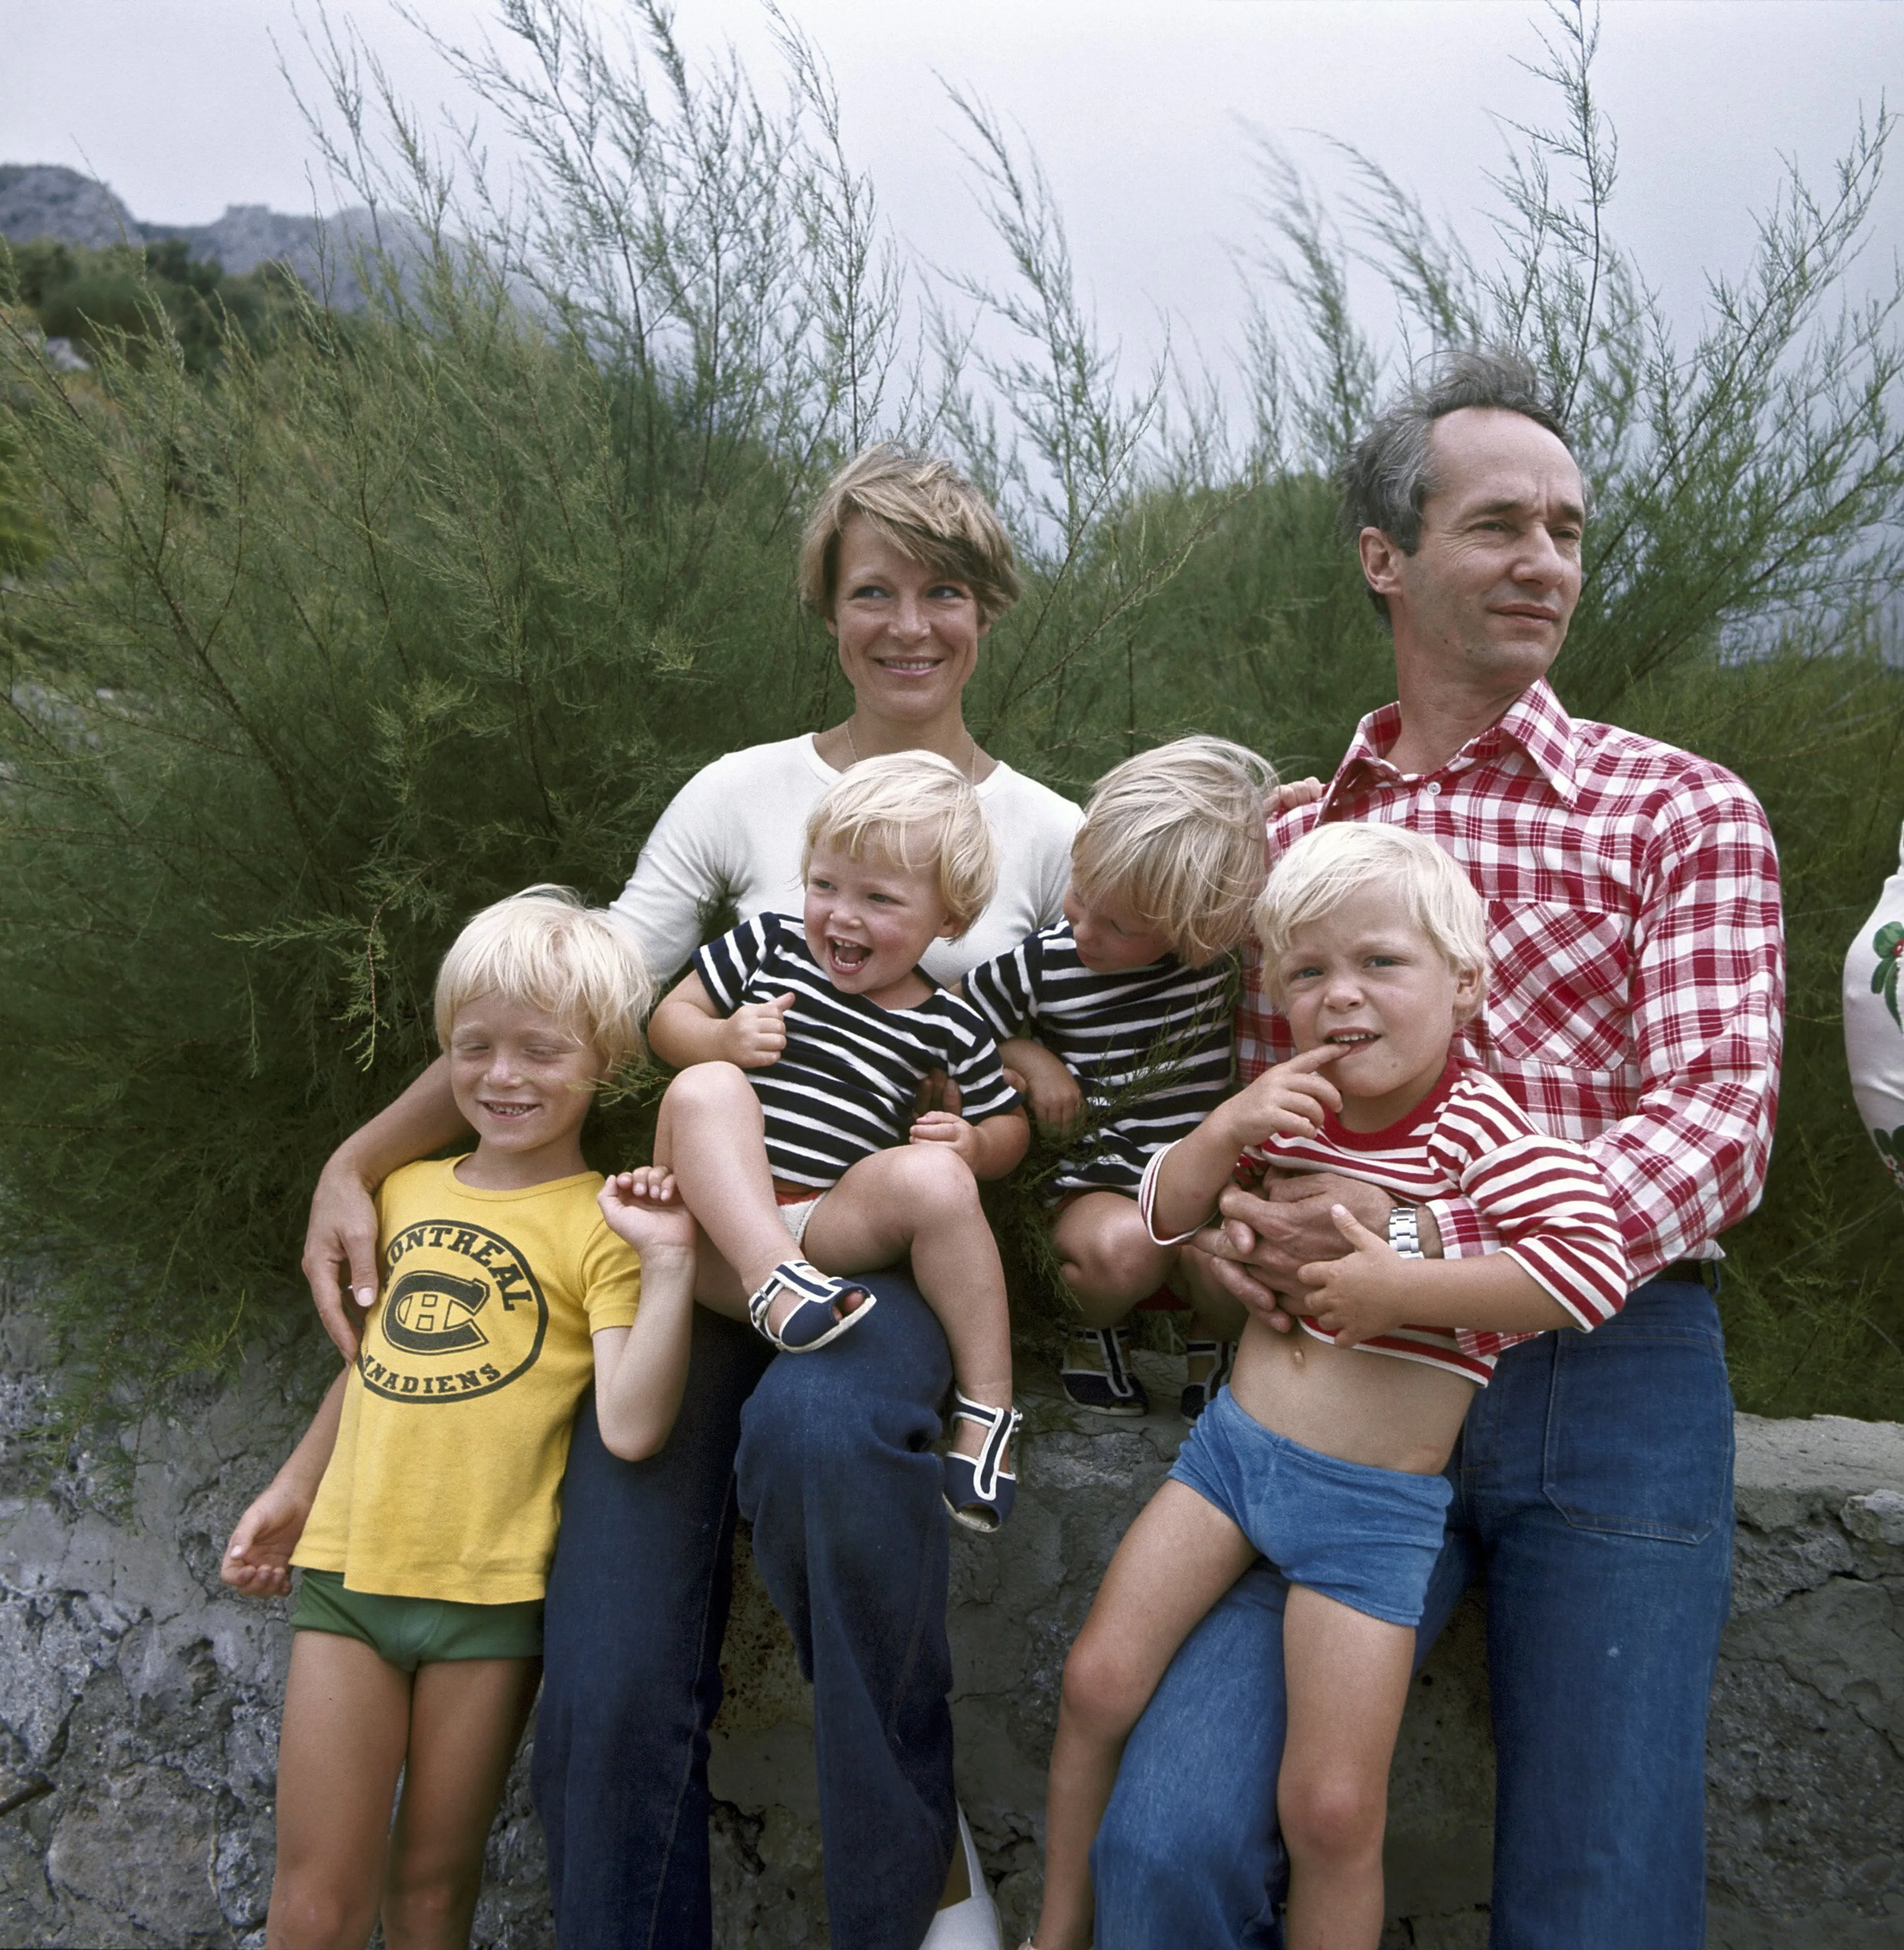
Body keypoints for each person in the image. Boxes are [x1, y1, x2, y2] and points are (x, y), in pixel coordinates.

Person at [299, 447, 1081, 1950]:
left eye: (945, 591)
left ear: (988, 609)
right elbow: (575, 985)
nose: (908, 624)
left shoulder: (1049, 833)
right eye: (873, 590)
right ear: (825, 606)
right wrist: (359, 1156)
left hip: (879, 1265)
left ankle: (911, 1877)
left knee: (826, 1446)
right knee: (603, 1665)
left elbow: (1110, 1033)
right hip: (701, 1255)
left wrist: (1026, 1074)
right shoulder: (744, 792)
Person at [1090, 348, 1785, 1950]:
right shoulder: (1279, 841)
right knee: (1171, 1848)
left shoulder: (1677, 811)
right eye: (1497, 524)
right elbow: (1220, 1121)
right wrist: (1231, 1239)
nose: (1545, 557)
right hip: (1322, 1388)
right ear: (1384, 559)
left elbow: (1719, 1122)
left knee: (1597, 1902)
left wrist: (1447, 1256)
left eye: (1566, 527)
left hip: (1600, 1369)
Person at [1025, 823, 1626, 1950]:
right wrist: (1222, 1131)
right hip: (1230, 1459)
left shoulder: (1483, 1132)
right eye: (1308, 972)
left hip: (1371, 1514)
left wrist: (1403, 1286)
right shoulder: (1285, 1100)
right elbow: (1163, 1213)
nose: (1341, 997)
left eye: (1380, 963)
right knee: (1099, 1680)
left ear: (1466, 981)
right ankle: (1057, 1929)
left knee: (1332, 1807)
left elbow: (1590, 1266)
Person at [222, 889, 699, 1950]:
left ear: (605, 1061)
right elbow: (375, 1364)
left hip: (491, 1599)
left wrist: (669, 1264)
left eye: (540, 1050)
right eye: (474, 1047)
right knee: (313, 1899)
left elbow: (630, 1425)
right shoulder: (401, 1191)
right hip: (349, 1581)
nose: (502, 1076)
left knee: (434, 1894)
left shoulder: (606, 1225)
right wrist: (295, 1489)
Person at [646, 752, 1029, 1528]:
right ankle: (772, 1281)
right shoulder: (765, 948)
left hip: (825, 1232)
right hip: (716, 1232)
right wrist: (720, 1037)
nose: (842, 916)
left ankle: (989, 1412)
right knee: (705, 1088)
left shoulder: (949, 1024)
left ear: (947, 920)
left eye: (879, 898)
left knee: (940, 1182)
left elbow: (1008, 1126)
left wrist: (974, 1146)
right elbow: (665, 1024)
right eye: (826, 885)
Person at [963, 736, 1266, 1420]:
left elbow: (1274, 885)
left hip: (1209, 1186)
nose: (1083, 930)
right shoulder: (1045, 963)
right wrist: (1033, 1060)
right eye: (1079, 891)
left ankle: (1211, 1348)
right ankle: (1091, 1325)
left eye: (1118, 924)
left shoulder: (1217, 962)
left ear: (1196, 926)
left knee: (1240, 1255)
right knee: (1121, 1253)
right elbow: (956, 1020)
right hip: (1103, 1186)